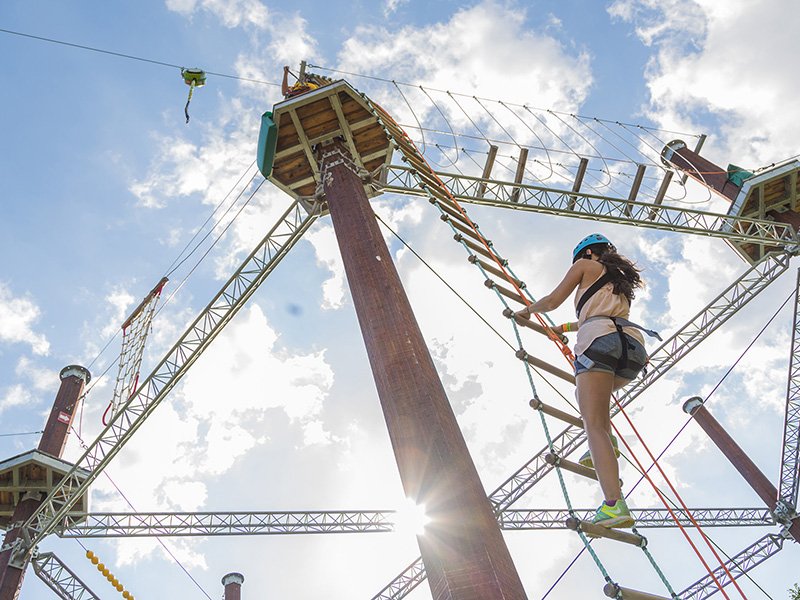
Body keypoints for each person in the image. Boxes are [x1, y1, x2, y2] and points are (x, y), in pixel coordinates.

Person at [515, 233, 660, 530]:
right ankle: (605, 445)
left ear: (589, 253)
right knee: (595, 409)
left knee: (592, 422)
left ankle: (612, 504)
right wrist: (565, 327)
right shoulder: (618, 281)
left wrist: (528, 311)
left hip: (599, 341)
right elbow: (597, 314)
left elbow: (554, 300)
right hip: (632, 349)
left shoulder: (585, 264)